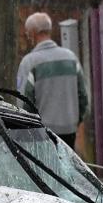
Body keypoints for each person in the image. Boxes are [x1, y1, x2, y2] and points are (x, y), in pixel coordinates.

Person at [15, 11, 90, 150]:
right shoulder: (71, 58)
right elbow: (84, 98)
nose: (27, 36)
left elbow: (24, 102)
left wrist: (27, 132)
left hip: (42, 133)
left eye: (27, 33)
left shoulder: (29, 62)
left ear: (33, 33)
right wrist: (73, 121)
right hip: (69, 131)